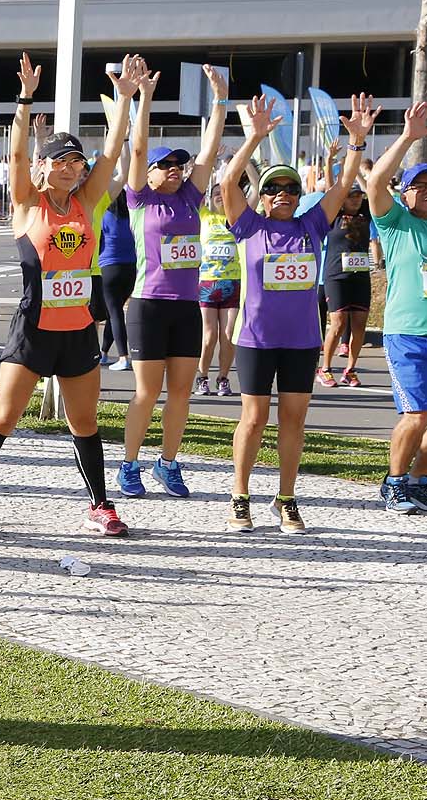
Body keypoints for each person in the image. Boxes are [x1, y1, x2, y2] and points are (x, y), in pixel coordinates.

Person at [0, 52, 142, 539]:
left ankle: (100, 506)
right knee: (3, 417)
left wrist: (124, 100)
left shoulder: (87, 201)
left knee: (85, 421)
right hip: (33, 330)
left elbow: (115, 145)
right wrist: (24, 100)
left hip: (78, 330)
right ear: (44, 166)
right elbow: (16, 156)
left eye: (76, 161)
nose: (70, 168)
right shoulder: (26, 203)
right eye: (61, 160)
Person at [222, 93, 365, 534]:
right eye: (272, 189)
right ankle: (240, 496)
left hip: (303, 341)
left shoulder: (311, 226)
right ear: (261, 198)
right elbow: (228, 184)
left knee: (293, 418)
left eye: (289, 189)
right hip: (256, 339)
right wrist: (254, 138)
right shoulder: (249, 225)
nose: (282, 194)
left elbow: (342, 189)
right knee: (253, 418)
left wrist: (356, 144)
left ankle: (286, 499)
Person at [118, 64, 229, 498]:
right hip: (148, 303)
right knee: (146, 393)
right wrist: (143, 97)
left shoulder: (189, 197)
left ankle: (166, 463)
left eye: (178, 166)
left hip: (187, 305)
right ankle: (128, 465)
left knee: (180, 393)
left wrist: (220, 99)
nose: (176, 171)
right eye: (166, 166)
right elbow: (139, 146)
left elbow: (210, 149)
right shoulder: (139, 197)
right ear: (149, 173)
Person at [366, 104, 427, 513]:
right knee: (417, 415)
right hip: (406, 333)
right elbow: (373, 183)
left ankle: (420, 481)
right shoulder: (396, 224)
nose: (426, 190)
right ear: (404, 193)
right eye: (418, 185)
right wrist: (408, 137)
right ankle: (393, 482)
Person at [318, 182, 377, 388]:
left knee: (359, 324)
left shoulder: (365, 214)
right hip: (336, 276)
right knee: (339, 323)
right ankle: (325, 368)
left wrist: (363, 178)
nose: (356, 199)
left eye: (358, 196)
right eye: (351, 195)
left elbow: (375, 190)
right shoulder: (333, 216)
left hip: (360, 276)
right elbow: (329, 195)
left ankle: (350, 370)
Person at [196, 173, 241, 396]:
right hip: (207, 284)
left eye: (223, 194)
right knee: (209, 335)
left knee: (228, 334)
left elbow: (251, 188)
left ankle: (223, 378)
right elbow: (195, 190)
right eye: (216, 194)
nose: (220, 198)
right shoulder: (203, 216)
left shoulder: (237, 218)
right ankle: (202, 376)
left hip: (232, 284)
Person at [98, 187, 137, 371]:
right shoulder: (130, 217)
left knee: (114, 313)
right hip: (130, 268)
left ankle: (123, 356)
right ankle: (104, 352)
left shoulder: (104, 216)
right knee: (115, 312)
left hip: (109, 266)